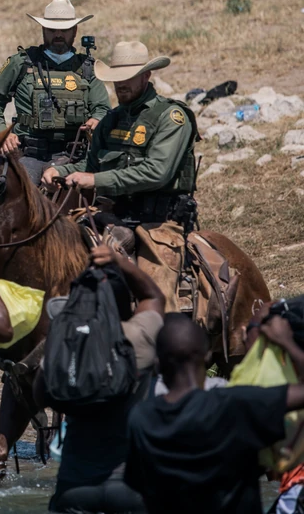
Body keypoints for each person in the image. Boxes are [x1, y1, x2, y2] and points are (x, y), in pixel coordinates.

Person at [42, 41, 200, 312]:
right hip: (112, 214)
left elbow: (157, 173)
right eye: (116, 80)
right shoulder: (110, 121)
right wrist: (62, 171)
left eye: (127, 79)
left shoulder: (171, 117)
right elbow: (91, 168)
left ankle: (163, 343)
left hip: (158, 222)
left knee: (159, 302)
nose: (120, 85)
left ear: (147, 76)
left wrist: (97, 181)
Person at [124, 314, 304, 514]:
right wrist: (285, 341)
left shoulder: (141, 418)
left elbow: (139, 487)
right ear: (208, 357)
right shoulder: (236, 405)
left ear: (158, 364)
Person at [44, 244, 165, 514]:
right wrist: (120, 262)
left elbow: (41, 393)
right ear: (126, 305)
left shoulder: (64, 347)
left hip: (75, 485)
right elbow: (154, 296)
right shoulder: (138, 339)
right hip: (132, 486)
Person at [0, 0, 111, 183]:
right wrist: (2, 133)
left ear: (75, 31)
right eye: (52, 30)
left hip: (74, 156)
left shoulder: (87, 67)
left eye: (64, 30)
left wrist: (97, 120)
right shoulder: (21, 63)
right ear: (43, 30)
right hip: (28, 155)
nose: (58, 35)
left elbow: (103, 108)